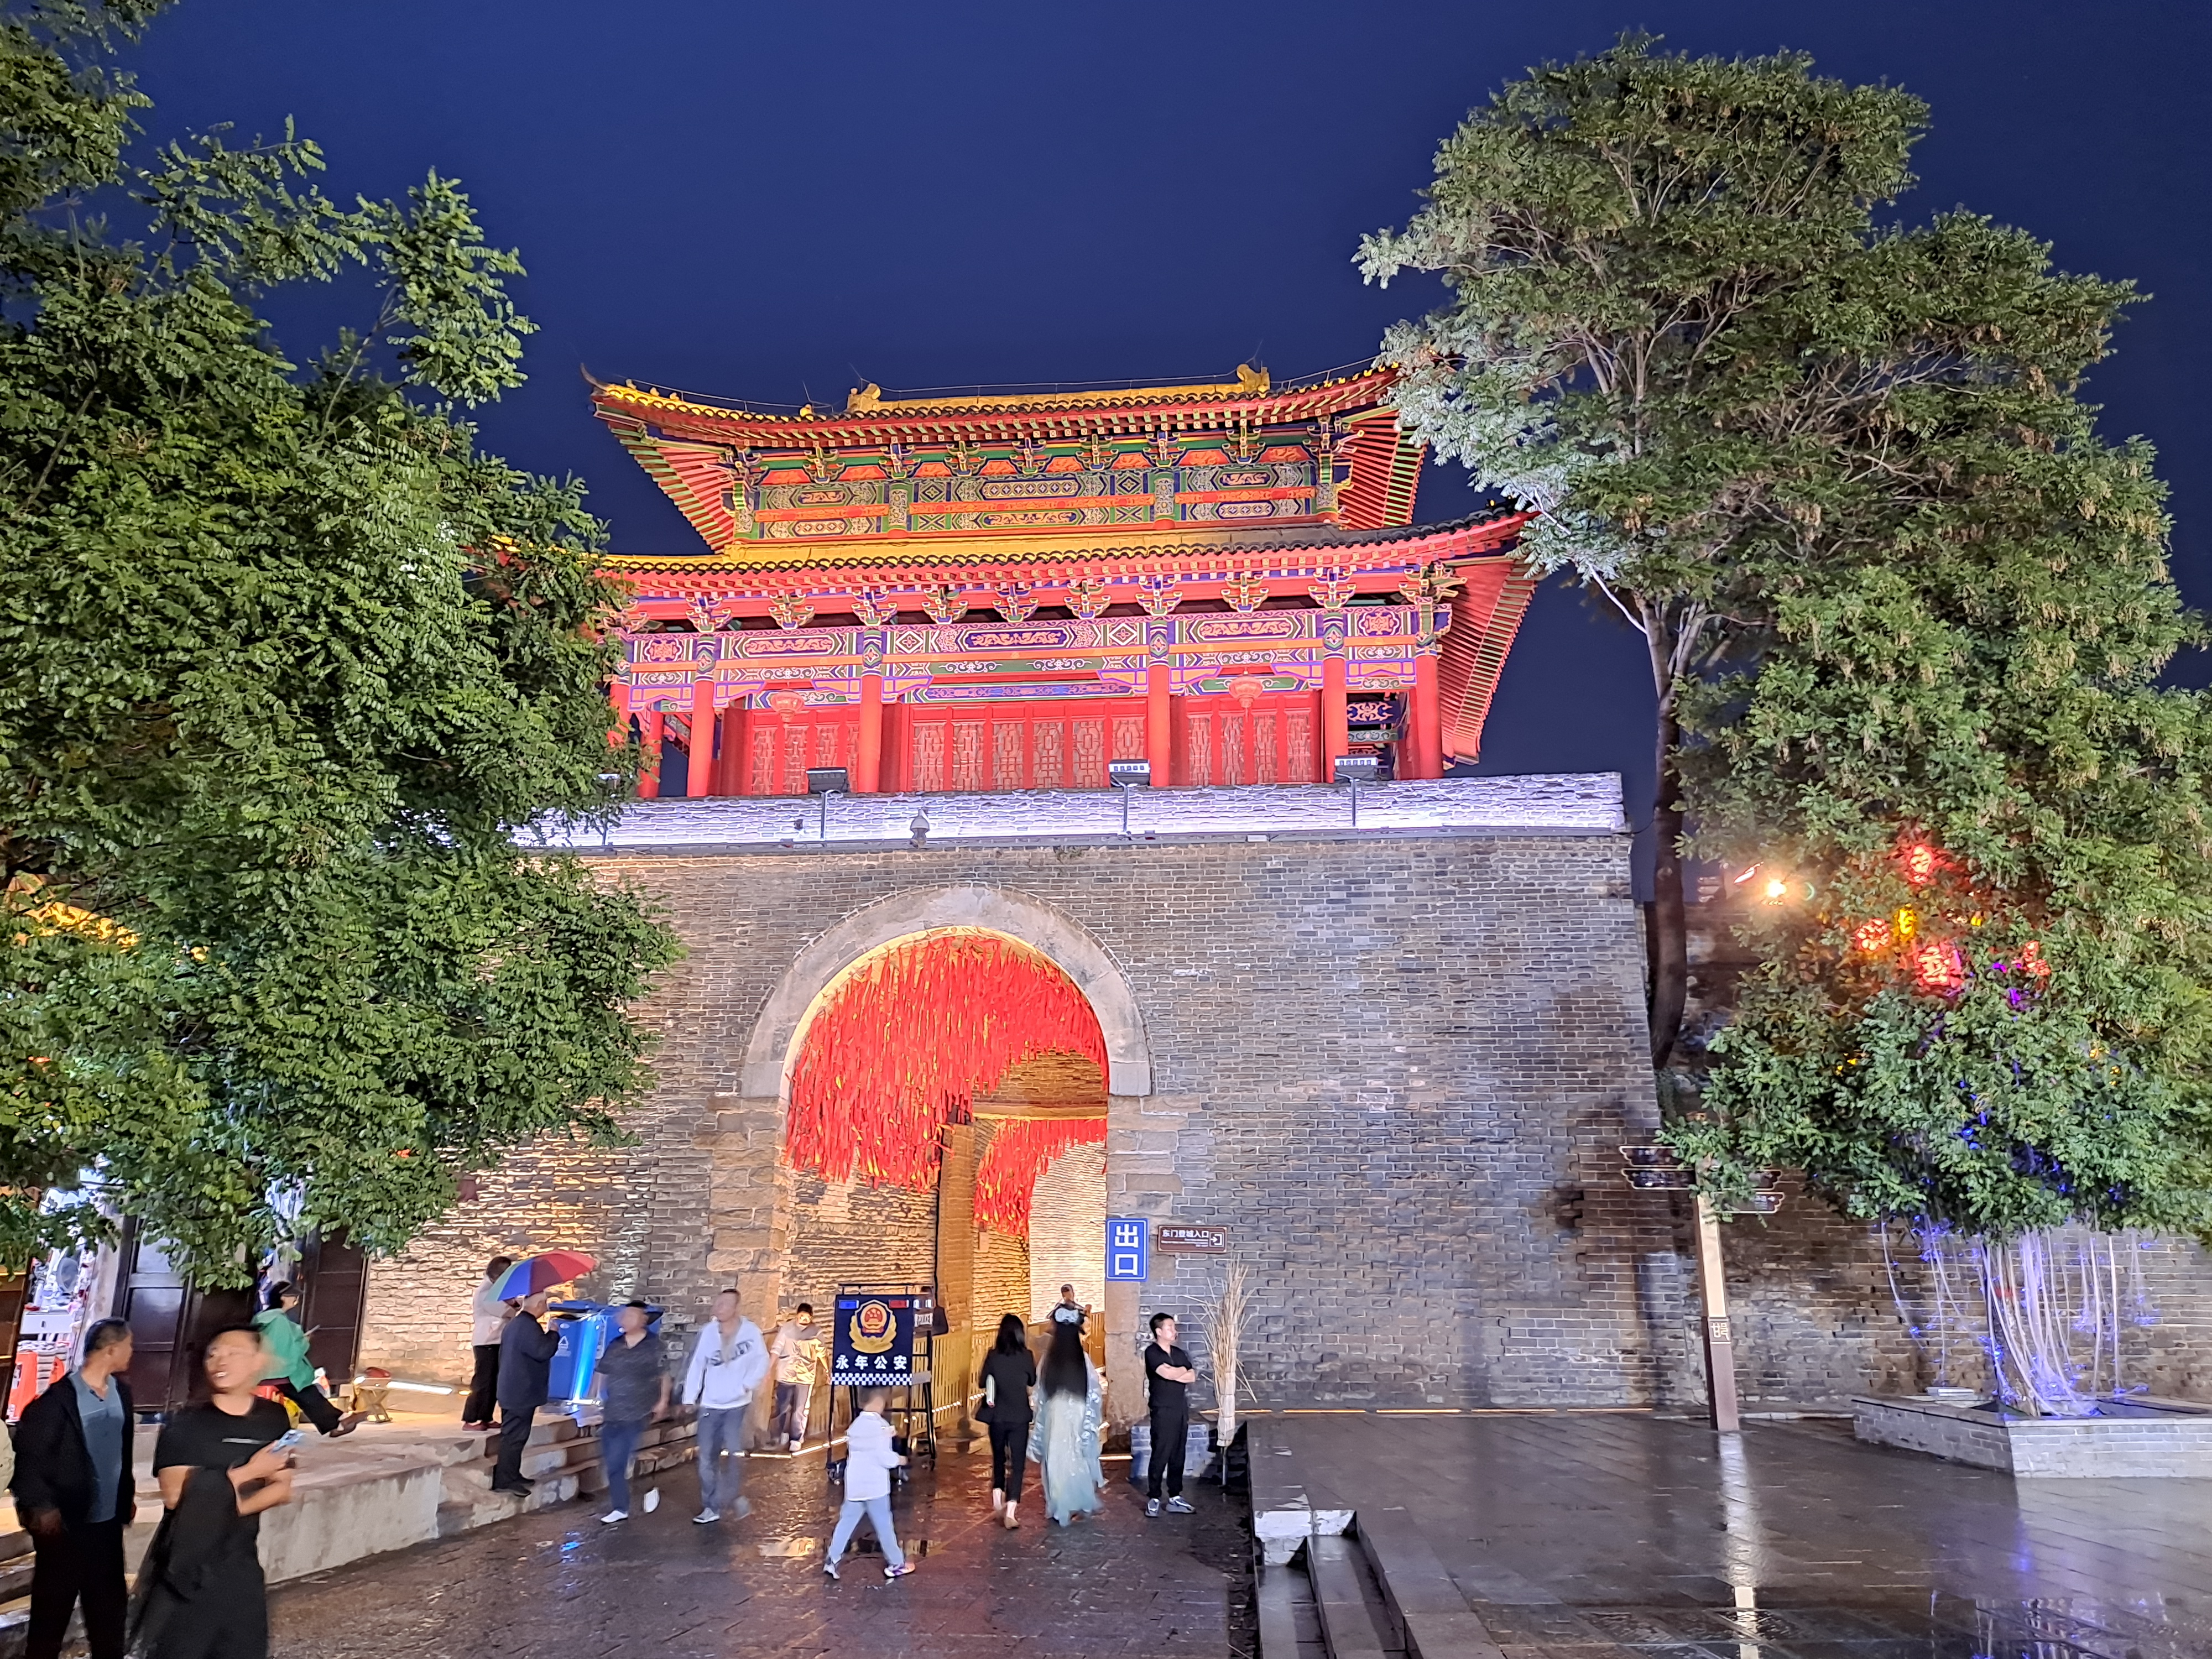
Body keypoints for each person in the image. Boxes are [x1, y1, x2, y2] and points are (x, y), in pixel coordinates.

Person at [129, 1326, 295, 1659]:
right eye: (213, 1353)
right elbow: (176, 1496)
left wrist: (221, 1499)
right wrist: (250, 1474)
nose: (220, 1360)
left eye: (234, 1353)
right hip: (185, 1566)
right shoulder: (186, 1422)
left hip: (241, 1565)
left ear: (258, 1362)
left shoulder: (274, 1418)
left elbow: (282, 1489)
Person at [12, 1319, 135, 1659]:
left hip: (106, 1525)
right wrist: (39, 1505)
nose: (132, 1352)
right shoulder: (56, 1403)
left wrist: (127, 1496)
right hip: (67, 1525)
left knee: (109, 1611)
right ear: (111, 1350)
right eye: (129, 1345)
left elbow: (122, 1451)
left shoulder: (121, 1394)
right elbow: (31, 1459)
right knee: (52, 1614)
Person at [681, 1287, 767, 1523]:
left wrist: (746, 1385)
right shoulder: (708, 1333)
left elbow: (762, 1360)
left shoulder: (750, 1333)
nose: (718, 1308)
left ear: (736, 1308)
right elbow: (698, 1364)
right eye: (717, 1304)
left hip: (737, 1405)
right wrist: (690, 1397)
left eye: (724, 1305)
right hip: (711, 1403)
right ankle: (711, 1506)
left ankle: (733, 1496)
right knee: (707, 1457)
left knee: (733, 1452)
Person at [822, 1387, 914, 1580]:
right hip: (875, 1487)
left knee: (845, 1523)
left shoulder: (855, 1425)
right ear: (880, 1402)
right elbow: (884, 1458)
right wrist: (900, 1460)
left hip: (855, 1485)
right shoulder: (880, 1426)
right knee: (884, 1526)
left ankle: (832, 1558)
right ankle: (896, 1563)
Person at [592, 1301, 669, 1524]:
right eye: (623, 1316)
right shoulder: (616, 1344)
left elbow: (664, 1374)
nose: (624, 1320)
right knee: (612, 1458)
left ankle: (621, 1507)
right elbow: (602, 1371)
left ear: (642, 1320)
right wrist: (596, 1398)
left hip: (638, 1410)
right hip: (613, 1409)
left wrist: (663, 1401)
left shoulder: (654, 1346)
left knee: (618, 1458)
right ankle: (623, 1503)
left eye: (630, 1316)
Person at [252, 1284, 358, 1437]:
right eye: (293, 1297)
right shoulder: (279, 1321)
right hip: (279, 1369)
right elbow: (284, 1349)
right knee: (307, 1393)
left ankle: (338, 1421)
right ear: (283, 1298)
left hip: (272, 1368)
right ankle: (338, 1422)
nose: (296, 1300)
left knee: (307, 1395)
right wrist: (304, 1341)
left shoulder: (267, 1318)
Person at [1029, 1308, 1104, 1526]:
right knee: (1076, 1454)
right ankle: (1078, 1500)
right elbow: (1094, 1391)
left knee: (1055, 1458)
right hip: (1078, 1411)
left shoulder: (1048, 1360)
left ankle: (1058, 1503)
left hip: (1055, 1411)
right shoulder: (1083, 1359)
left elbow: (1040, 1392)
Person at [492, 1290, 559, 1496]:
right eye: (545, 1304)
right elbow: (543, 1351)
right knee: (513, 1437)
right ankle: (504, 1479)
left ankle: (512, 1474)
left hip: (516, 1389)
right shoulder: (528, 1327)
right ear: (537, 1306)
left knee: (517, 1437)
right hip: (519, 1391)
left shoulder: (518, 1324)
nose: (546, 1308)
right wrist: (553, 1333)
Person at [976, 1311, 1035, 1530]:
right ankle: (1011, 1510)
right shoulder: (1027, 1355)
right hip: (1019, 1416)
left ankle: (997, 1498)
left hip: (997, 1416)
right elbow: (1033, 1379)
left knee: (998, 1457)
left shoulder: (993, 1356)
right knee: (1018, 1463)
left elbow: (983, 1382)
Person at [1143, 1311, 1199, 1517]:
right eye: (1169, 1327)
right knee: (1161, 1452)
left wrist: (1177, 1372)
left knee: (1178, 1453)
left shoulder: (1179, 1353)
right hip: (1162, 1409)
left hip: (1180, 1409)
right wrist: (1179, 1372)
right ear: (1159, 1331)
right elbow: (1165, 1373)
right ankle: (1154, 1497)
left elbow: (1192, 1376)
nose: (1174, 1331)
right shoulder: (1152, 1352)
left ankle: (1175, 1496)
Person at [462, 1257, 515, 1432]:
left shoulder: (497, 1289)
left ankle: (486, 1416)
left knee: (494, 1382)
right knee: (483, 1381)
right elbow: (504, 1311)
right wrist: (513, 1304)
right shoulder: (486, 1290)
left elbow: (512, 1307)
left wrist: (513, 1304)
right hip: (486, 1341)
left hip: (497, 1339)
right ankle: (471, 1419)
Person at [770, 1303, 821, 1453]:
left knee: (800, 1408)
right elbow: (777, 1348)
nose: (804, 1319)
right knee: (782, 1405)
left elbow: (822, 1351)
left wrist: (826, 1369)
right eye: (802, 1316)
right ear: (797, 1315)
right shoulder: (787, 1329)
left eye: (807, 1317)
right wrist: (769, 1368)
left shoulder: (816, 1332)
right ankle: (778, 1435)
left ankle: (796, 1438)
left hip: (805, 1376)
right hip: (786, 1374)